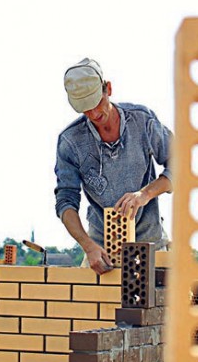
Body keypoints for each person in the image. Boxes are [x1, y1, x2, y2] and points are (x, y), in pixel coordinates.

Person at [54, 58, 173, 275]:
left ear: (108, 88)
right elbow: (65, 201)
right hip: (102, 252)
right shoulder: (70, 142)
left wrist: (144, 194)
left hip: (151, 244)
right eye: (85, 110)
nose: (93, 114)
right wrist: (88, 246)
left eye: (96, 103)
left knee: (161, 297)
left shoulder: (142, 122)